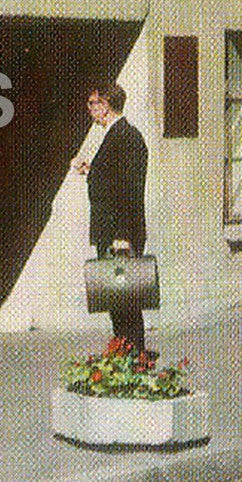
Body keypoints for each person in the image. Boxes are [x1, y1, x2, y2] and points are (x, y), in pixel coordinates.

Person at [72, 82, 149, 351]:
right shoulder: (114, 135)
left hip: (120, 235)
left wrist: (122, 236)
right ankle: (125, 353)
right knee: (116, 299)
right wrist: (92, 170)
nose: (89, 109)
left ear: (105, 106)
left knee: (126, 300)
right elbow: (113, 178)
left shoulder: (127, 137)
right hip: (111, 230)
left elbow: (130, 189)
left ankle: (134, 356)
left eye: (92, 103)